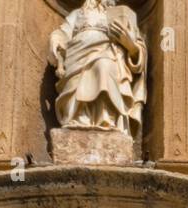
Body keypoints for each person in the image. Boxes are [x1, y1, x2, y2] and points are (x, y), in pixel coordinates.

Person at [49, 0, 147, 135]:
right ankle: (78, 118)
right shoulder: (77, 14)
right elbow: (62, 33)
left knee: (103, 65)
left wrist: (130, 45)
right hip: (76, 59)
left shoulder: (121, 15)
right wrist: (57, 41)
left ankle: (105, 119)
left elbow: (139, 52)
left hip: (109, 57)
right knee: (79, 79)